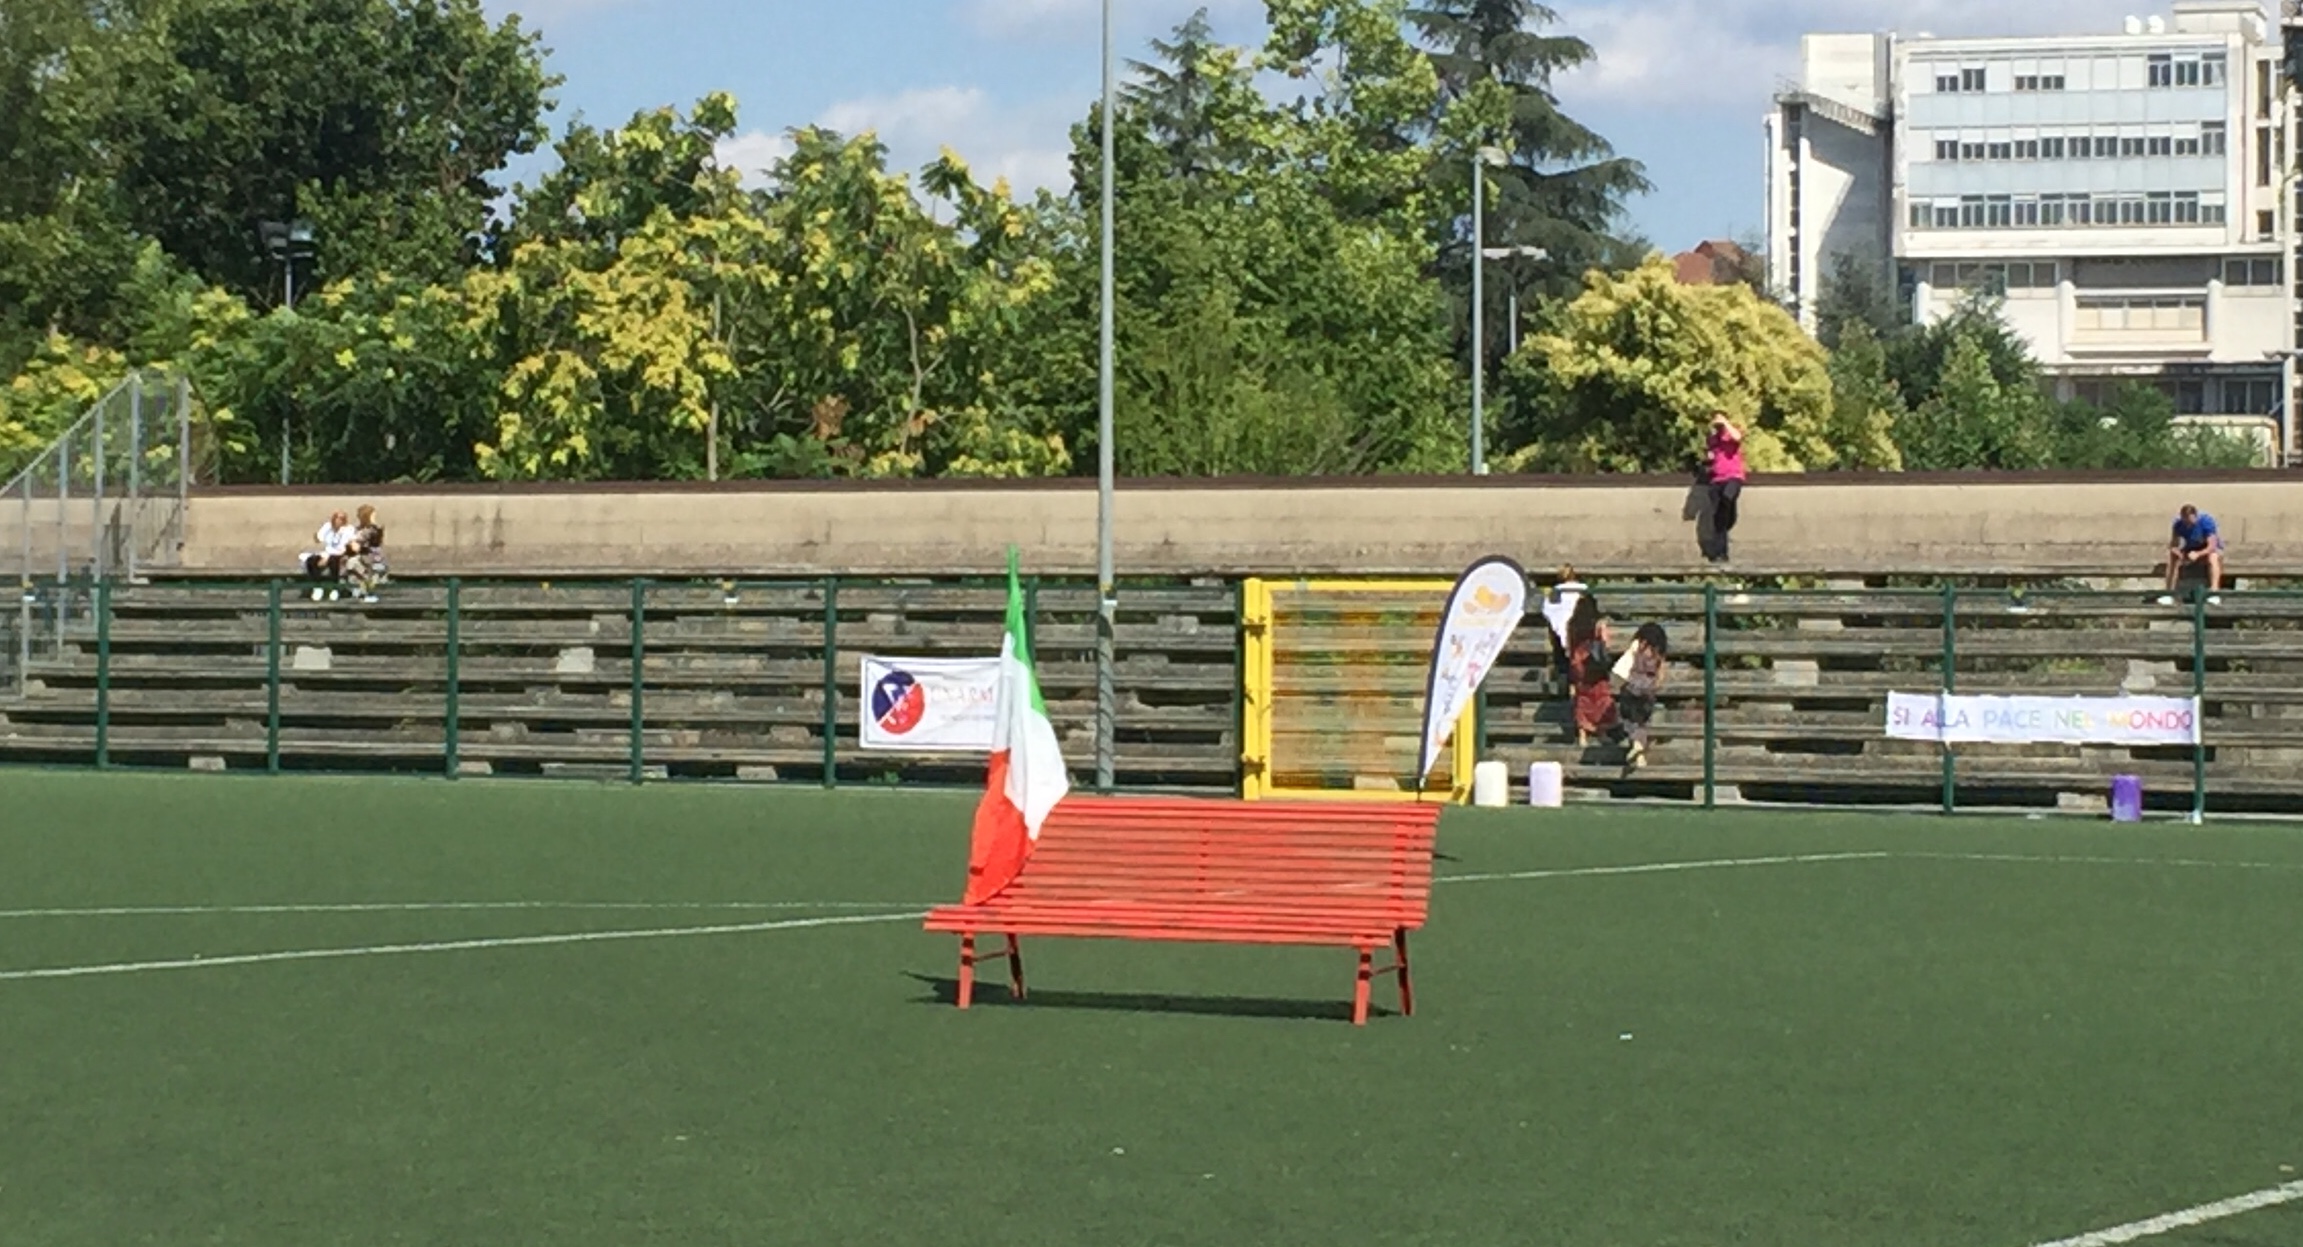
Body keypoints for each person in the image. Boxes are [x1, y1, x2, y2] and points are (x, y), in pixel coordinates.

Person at [1564, 595, 1617, 747]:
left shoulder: (1572, 624)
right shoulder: (1598, 624)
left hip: (1577, 661)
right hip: (1593, 662)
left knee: (1582, 697)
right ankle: (1601, 731)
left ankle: (1582, 734)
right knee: (1600, 696)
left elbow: (1568, 644)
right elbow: (1605, 643)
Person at [1617, 622, 1669, 770]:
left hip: (1631, 689)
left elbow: (1624, 666)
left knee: (1631, 721)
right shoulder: (1658, 653)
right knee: (1641, 722)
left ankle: (1637, 748)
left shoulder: (1637, 647)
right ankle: (1639, 753)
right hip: (1647, 692)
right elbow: (1660, 675)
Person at [1703, 412, 1748, 563]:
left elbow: (1737, 437)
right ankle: (1720, 553)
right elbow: (1710, 454)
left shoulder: (1731, 434)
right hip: (1717, 479)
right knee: (1718, 517)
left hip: (1733, 476)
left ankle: (1731, 515)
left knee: (1727, 498)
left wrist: (1726, 423)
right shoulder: (1712, 439)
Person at [2159, 504, 2224, 606]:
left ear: (2195, 516)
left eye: (2190, 522)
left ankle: (2214, 592)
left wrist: (2198, 554)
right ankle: (2169, 593)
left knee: (2213, 558)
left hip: (2206, 549)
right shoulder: (2178, 524)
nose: (2188, 525)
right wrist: (2177, 552)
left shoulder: (2206, 522)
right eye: (2185, 522)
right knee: (2172, 557)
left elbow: (2212, 546)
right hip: (2190, 548)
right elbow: (2174, 544)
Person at [1538, 565, 1589, 682]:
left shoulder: (1555, 594)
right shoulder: (1584, 592)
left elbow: (1548, 611)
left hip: (1561, 632)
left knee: (1563, 664)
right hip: (1582, 632)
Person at [304, 511, 353, 600]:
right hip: (325, 554)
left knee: (334, 562)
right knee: (311, 560)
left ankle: (334, 588)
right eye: (336, 518)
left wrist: (328, 556)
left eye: (341, 519)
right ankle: (317, 586)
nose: (338, 520)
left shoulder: (348, 530)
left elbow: (344, 547)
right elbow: (319, 539)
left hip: (339, 554)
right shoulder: (328, 526)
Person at [345, 504, 387, 603]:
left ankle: (368, 591)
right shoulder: (356, 530)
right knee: (351, 563)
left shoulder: (374, 530)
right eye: (373, 515)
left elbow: (372, 544)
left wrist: (357, 545)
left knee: (356, 564)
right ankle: (359, 590)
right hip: (359, 557)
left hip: (371, 558)